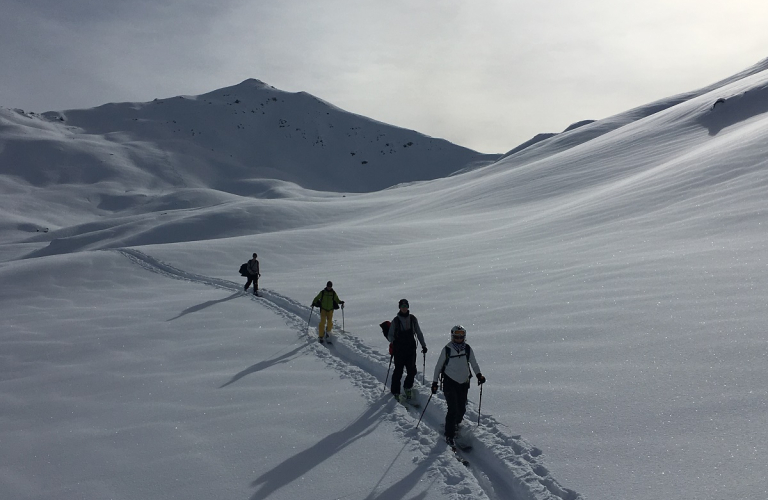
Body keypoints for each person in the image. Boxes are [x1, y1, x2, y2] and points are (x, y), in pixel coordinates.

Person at [431, 325, 486, 447]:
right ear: (453, 336)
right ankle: (449, 435)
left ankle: (455, 425)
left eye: (461, 335)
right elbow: (438, 366)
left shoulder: (467, 349)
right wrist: (434, 382)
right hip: (450, 382)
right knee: (453, 409)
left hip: (464, 383)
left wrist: (479, 375)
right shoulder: (447, 349)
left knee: (461, 408)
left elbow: (474, 363)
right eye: (457, 335)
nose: (459, 337)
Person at [387, 299, 428, 403]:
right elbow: (390, 335)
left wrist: (423, 345)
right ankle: (395, 392)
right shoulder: (395, 321)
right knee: (398, 371)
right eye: (402, 306)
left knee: (412, 370)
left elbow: (419, 332)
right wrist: (394, 341)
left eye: (406, 306)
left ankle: (407, 387)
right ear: (399, 307)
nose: (404, 308)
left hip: (411, 348)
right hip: (399, 350)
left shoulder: (413, 319)